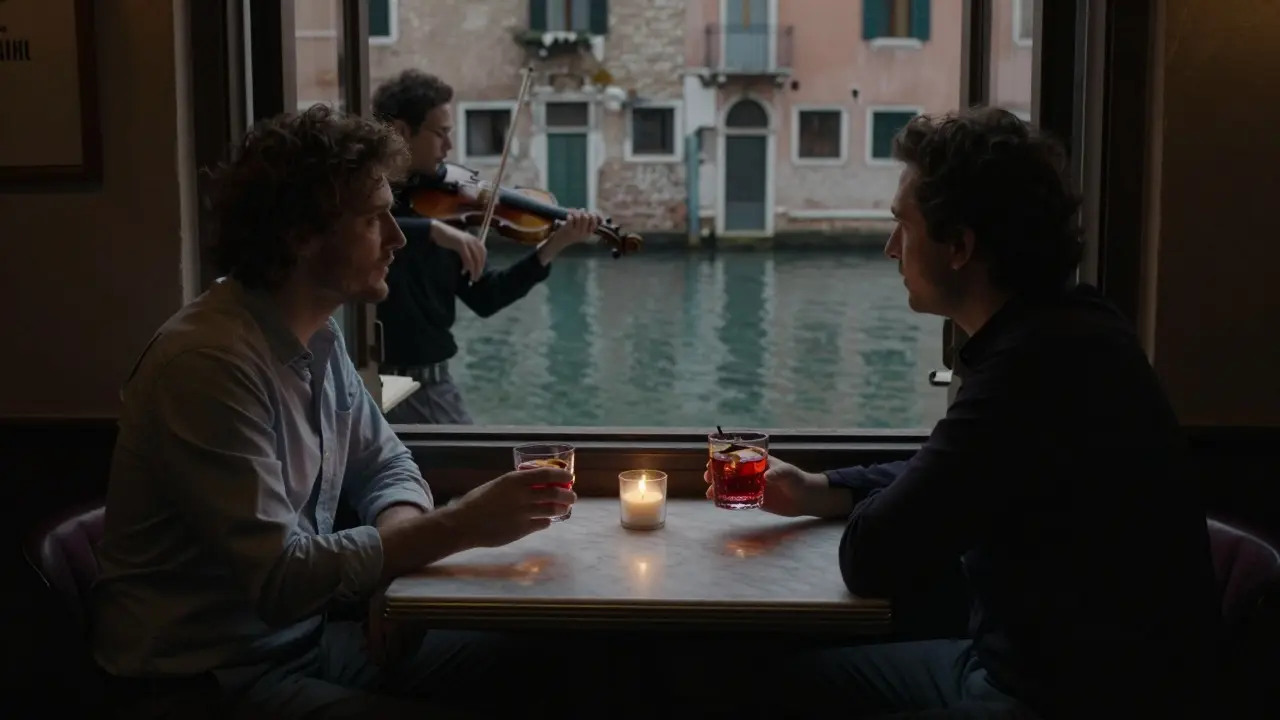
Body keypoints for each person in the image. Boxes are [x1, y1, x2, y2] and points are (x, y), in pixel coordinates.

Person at [706, 107, 1221, 718]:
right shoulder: (1073, 327)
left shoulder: (1033, 368)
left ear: (960, 246)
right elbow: (950, 466)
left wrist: (870, 504)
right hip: (1004, 665)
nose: (890, 249)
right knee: (772, 688)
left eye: (903, 226)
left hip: (1060, 698)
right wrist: (819, 489)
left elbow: (872, 557)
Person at [89, 105, 598, 718]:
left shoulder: (319, 337)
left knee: (546, 651)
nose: (399, 237)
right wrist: (461, 524)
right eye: (373, 218)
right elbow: (280, 580)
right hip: (206, 681)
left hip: (303, 645)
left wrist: (392, 569)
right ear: (301, 235)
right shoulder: (207, 366)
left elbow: (387, 466)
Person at [371, 69, 602, 424]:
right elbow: (359, 226)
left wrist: (553, 246)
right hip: (376, 383)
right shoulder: (367, 194)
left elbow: (486, 297)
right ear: (402, 131)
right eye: (440, 133)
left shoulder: (446, 208)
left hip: (426, 383)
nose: (449, 147)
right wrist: (432, 230)